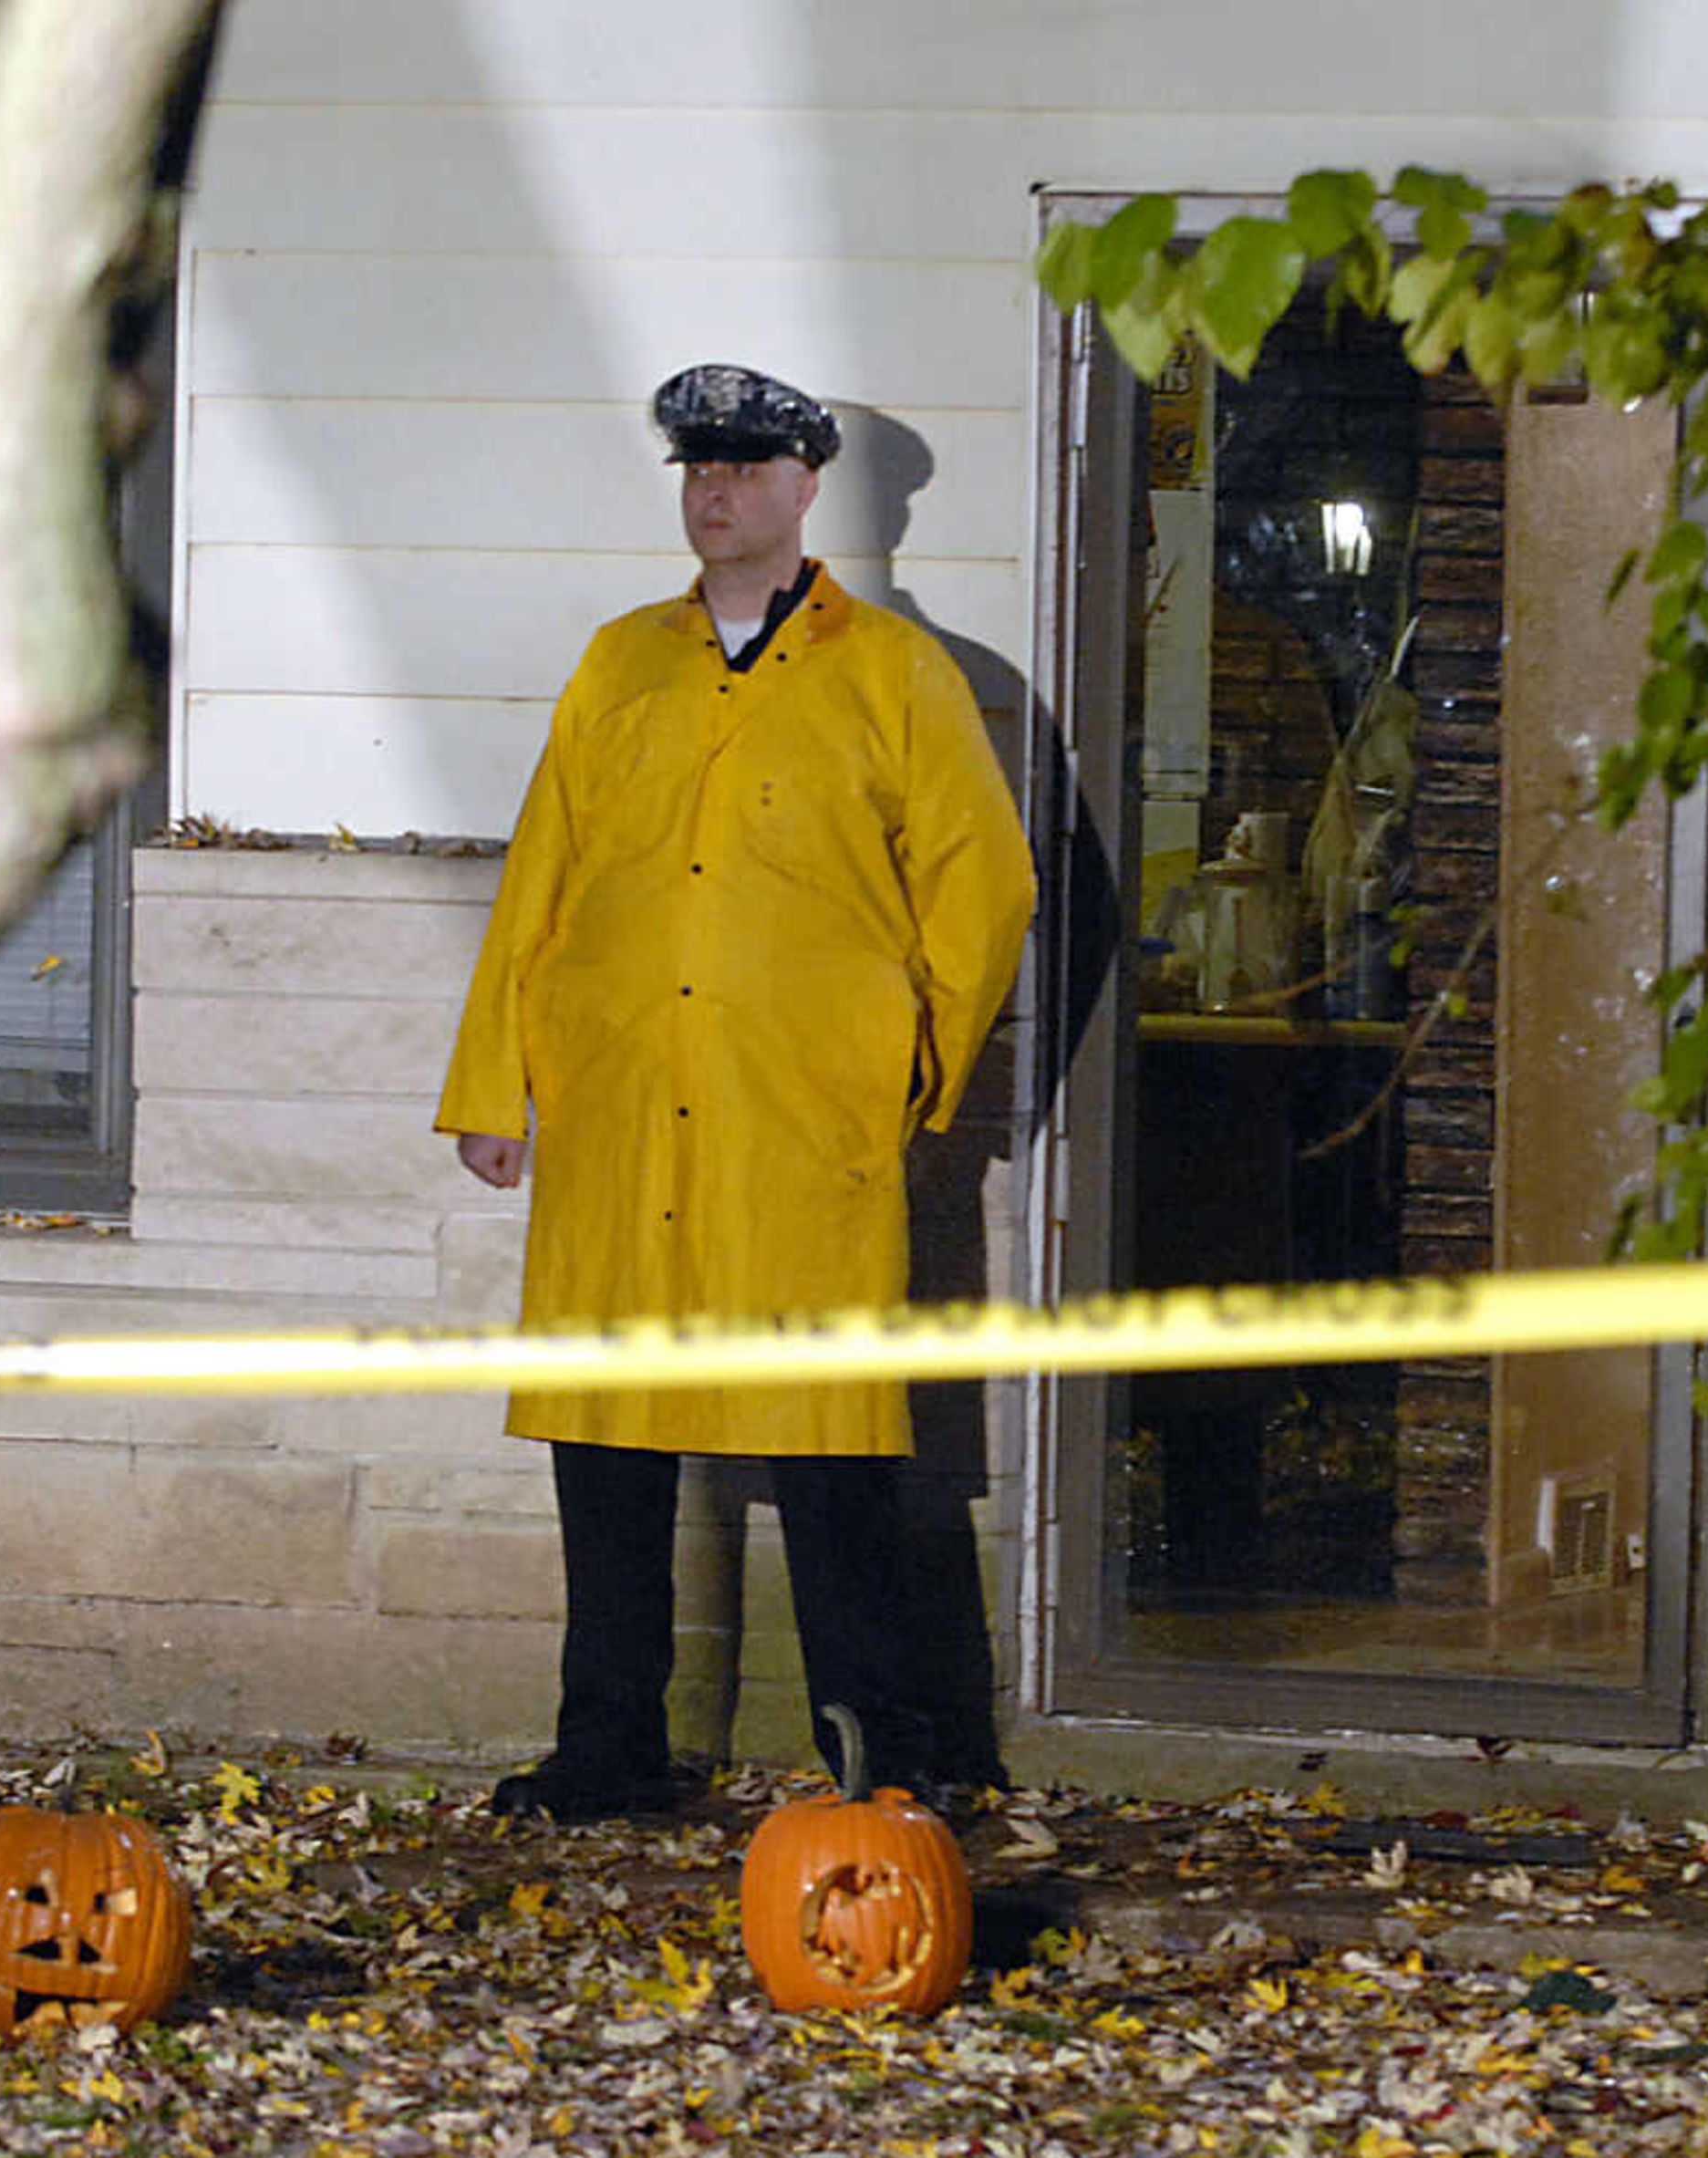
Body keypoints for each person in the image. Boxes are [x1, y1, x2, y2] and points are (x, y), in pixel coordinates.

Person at [436, 362, 1037, 1823]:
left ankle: (877, 1757)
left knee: (830, 1449)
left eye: (746, 469)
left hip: (796, 1118)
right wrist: (494, 1082)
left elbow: (986, 880)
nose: (717, 493)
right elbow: (545, 870)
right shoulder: (619, 661)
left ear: (808, 487)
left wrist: (909, 1072)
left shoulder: (893, 672)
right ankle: (607, 1749)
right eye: (697, 470)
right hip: (623, 1104)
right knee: (610, 1440)